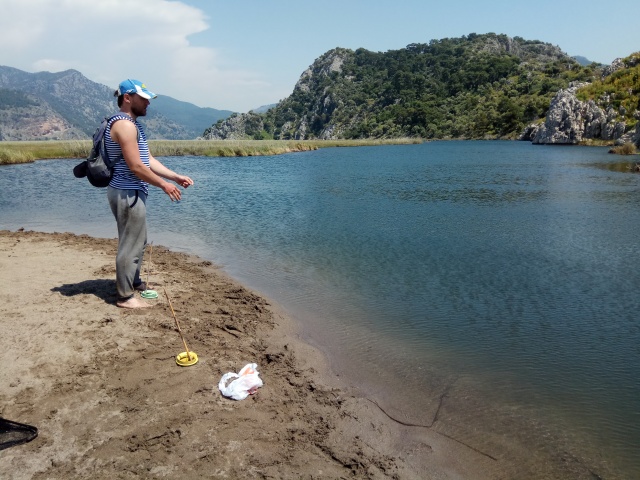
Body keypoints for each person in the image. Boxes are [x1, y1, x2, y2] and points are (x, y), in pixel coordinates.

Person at [106, 79, 194, 309]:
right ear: (127, 98)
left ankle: (134, 282)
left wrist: (174, 177)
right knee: (130, 243)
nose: (148, 103)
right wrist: (164, 185)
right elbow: (136, 166)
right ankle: (125, 297)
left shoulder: (132, 124)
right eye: (143, 98)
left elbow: (148, 160)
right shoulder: (124, 125)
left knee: (138, 240)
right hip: (127, 191)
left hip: (132, 191)